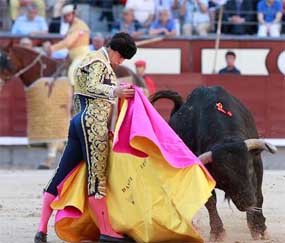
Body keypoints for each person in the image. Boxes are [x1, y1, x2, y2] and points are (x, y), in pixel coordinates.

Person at [34, 32, 137, 243]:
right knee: (97, 178)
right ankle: (107, 231)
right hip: (91, 124)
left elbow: (85, 89)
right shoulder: (101, 62)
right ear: (115, 51)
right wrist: (115, 90)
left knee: (60, 175)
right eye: (122, 57)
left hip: (78, 122)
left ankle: (41, 229)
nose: (121, 62)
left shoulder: (89, 58)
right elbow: (92, 86)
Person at [45, 4, 90, 85]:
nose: (65, 17)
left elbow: (68, 42)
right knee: (61, 73)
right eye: (65, 16)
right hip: (73, 55)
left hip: (81, 56)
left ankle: (75, 96)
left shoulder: (79, 26)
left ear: (74, 15)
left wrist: (53, 48)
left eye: (68, 15)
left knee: (71, 74)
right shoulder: (73, 26)